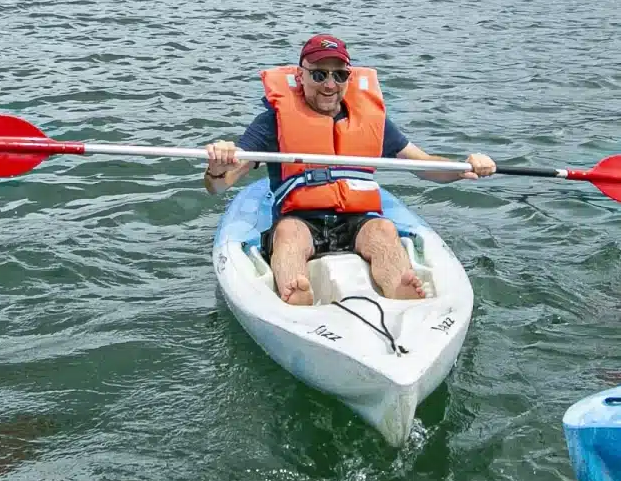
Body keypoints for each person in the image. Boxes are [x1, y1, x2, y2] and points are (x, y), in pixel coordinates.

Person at [202, 35, 494, 305]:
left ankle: (400, 288)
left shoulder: (371, 120)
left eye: (339, 75)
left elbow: (423, 165)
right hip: (301, 220)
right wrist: (217, 169)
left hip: (359, 221)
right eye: (319, 74)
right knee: (289, 233)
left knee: (383, 229)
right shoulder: (272, 123)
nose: (329, 84)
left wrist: (463, 167)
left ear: (348, 78)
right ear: (299, 75)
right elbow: (219, 186)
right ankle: (295, 290)